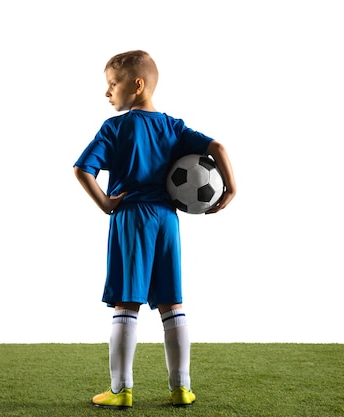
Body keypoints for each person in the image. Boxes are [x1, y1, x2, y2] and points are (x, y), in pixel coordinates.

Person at [73, 50, 236, 409]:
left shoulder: (114, 127)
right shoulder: (173, 127)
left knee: (126, 301)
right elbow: (218, 147)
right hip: (166, 220)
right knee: (171, 302)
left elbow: (83, 169)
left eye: (112, 85)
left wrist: (106, 204)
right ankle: (181, 388)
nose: (107, 93)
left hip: (131, 217)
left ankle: (121, 390)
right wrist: (232, 188)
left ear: (137, 85)